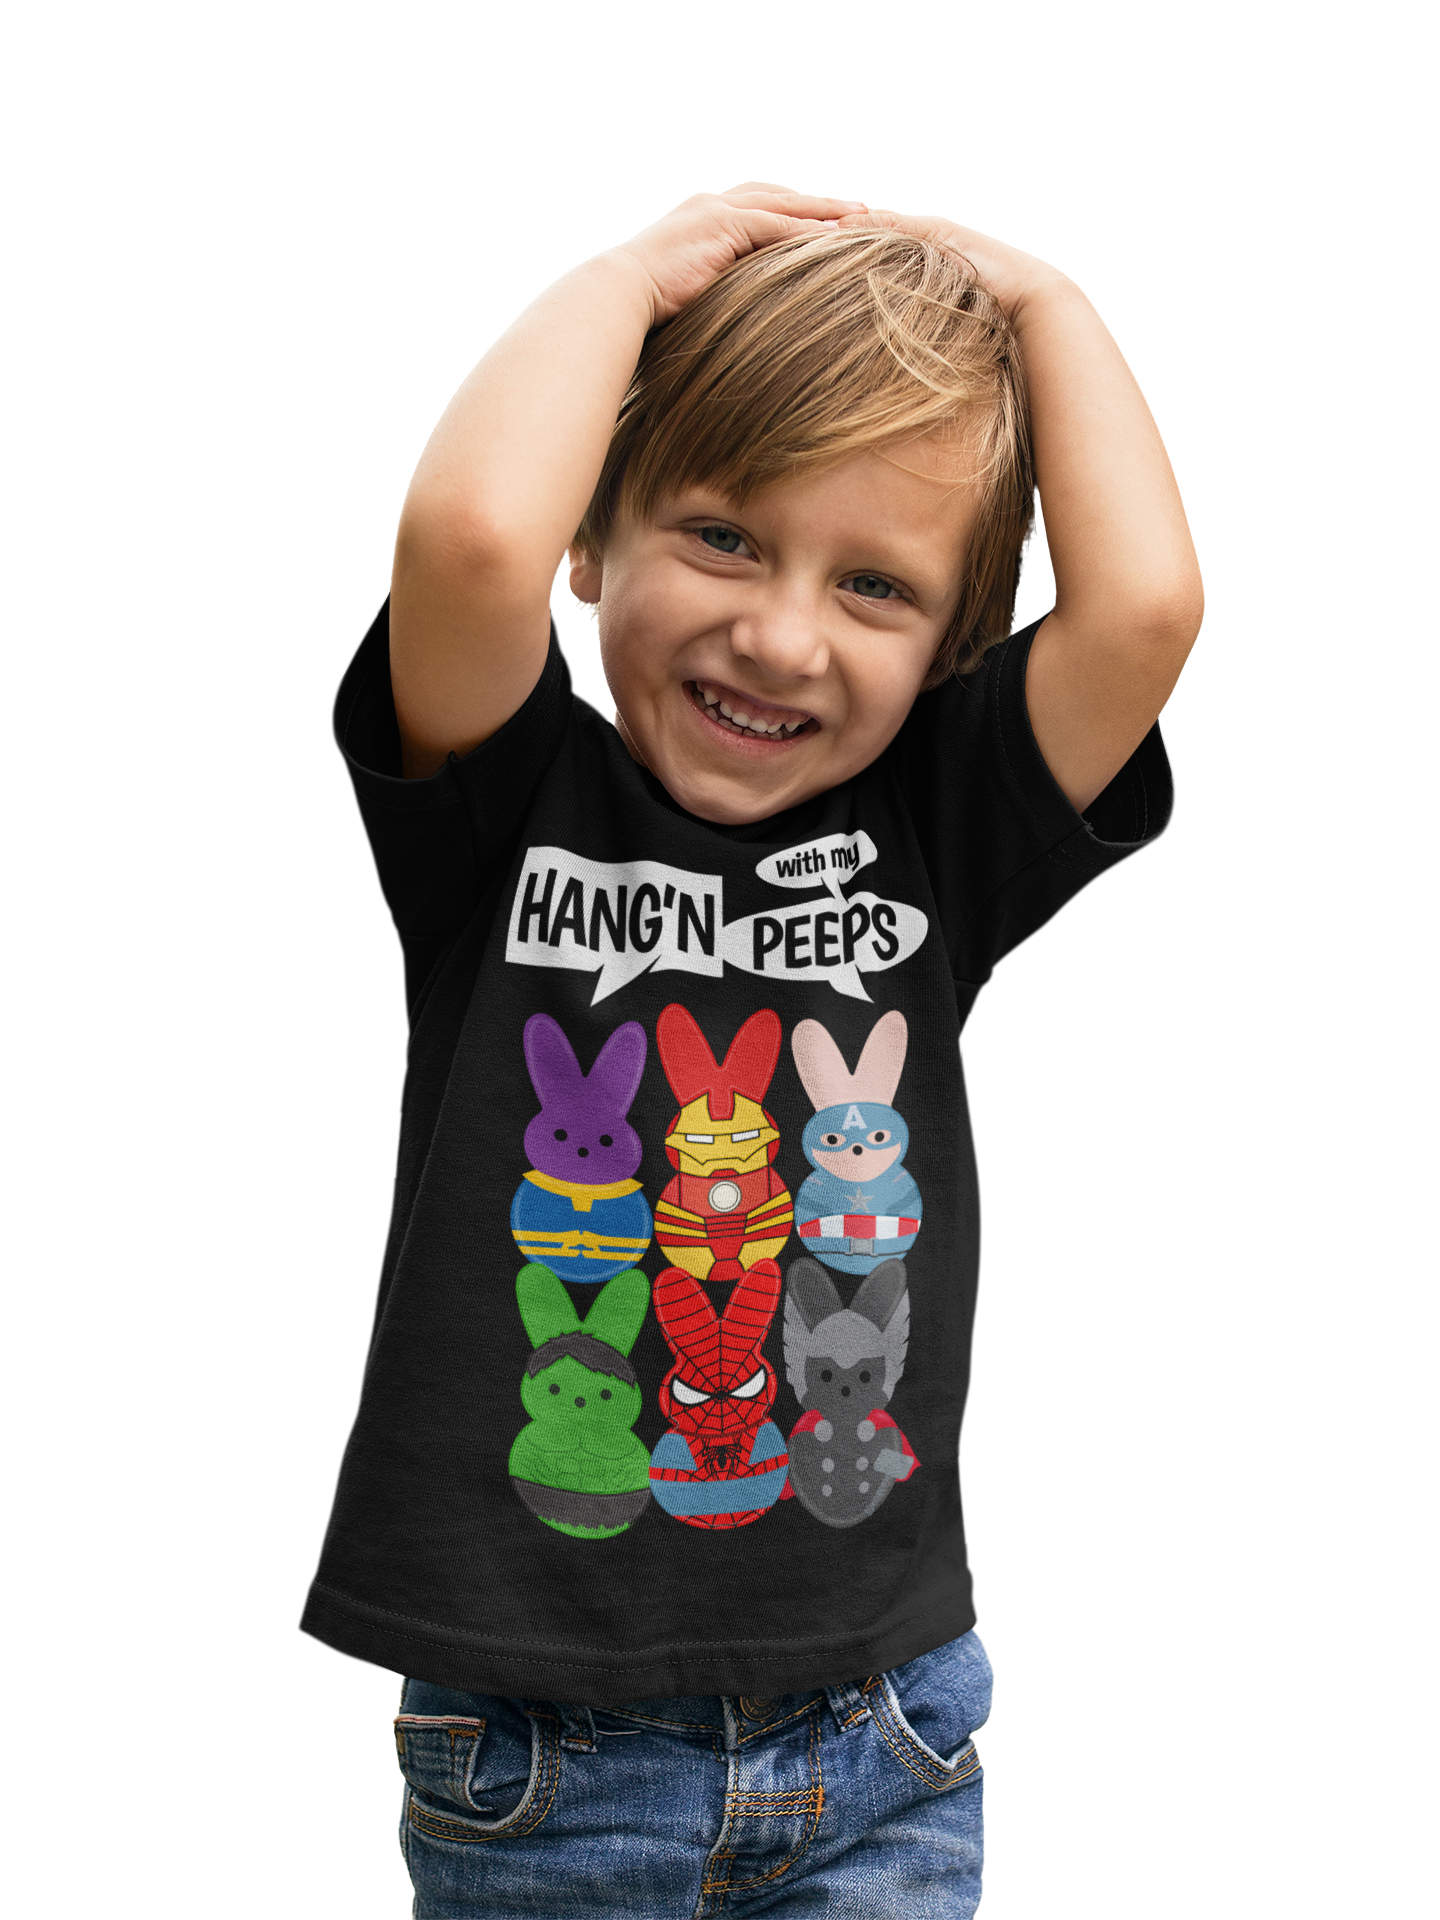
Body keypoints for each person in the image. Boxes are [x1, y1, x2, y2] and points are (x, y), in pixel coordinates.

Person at [302, 182, 1203, 1917]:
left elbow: (1148, 605)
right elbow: (468, 535)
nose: (783, 635)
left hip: (893, 1733)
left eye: (875, 584)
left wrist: (1038, 296)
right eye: (722, 535)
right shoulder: (500, 804)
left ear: (951, 650)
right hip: (547, 1764)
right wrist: (636, 273)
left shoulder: (936, 834)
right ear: (589, 549)